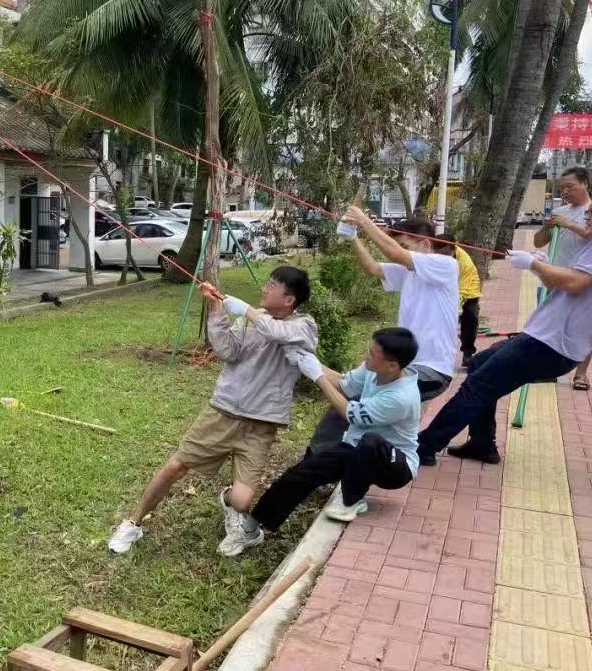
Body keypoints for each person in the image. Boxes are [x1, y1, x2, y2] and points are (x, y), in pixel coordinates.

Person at [108, 266, 318, 557]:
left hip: (261, 425)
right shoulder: (251, 321)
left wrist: (245, 310)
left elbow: (281, 333)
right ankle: (133, 522)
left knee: (242, 502)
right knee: (175, 467)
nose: (266, 288)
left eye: (274, 285)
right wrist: (217, 309)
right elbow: (227, 351)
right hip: (222, 411)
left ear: (289, 300)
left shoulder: (304, 326)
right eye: (268, 282)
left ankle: (231, 507)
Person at [417, 188, 592, 467]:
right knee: (480, 364)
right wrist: (538, 266)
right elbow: (567, 282)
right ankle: (482, 444)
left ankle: (424, 446)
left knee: (477, 386)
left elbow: (575, 282)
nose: (587, 217)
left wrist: (532, 262)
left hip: (551, 342)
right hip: (554, 341)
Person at [306, 209, 458, 456]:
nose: (400, 251)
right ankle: (326, 458)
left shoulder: (445, 265)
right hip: (402, 364)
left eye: (405, 244)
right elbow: (373, 268)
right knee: (349, 390)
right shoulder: (410, 271)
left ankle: (321, 461)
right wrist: (353, 237)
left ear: (425, 243)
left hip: (430, 369)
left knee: (354, 404)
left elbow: (395, 253)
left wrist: (364, 221)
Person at [250, 328, 422, 533]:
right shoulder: (372, 369)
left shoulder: (401, 397)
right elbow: (343, 386)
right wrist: (308, 361)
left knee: (371, 441)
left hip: (395, 466)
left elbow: (350, 413)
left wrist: (318, 378)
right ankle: (252, 526)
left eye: (372, 353)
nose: (365, 355)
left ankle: (352, 499)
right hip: (356, 451)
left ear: (392, 365)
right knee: (301, 473)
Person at [534, 167, 592, 390]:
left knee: (582, 328)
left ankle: (581, 374)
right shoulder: (558, 211)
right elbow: (539, 242)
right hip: (553, 278)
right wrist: (547, 226)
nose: (566, 191)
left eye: (570, 186)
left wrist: (567, 224)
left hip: (581, 279)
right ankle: (547, 369)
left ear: (585, 183)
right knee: (548, 326)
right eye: (562, 188)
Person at [435, 233, 482, 368]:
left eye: (446, 255)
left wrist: (456, 309)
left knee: (470, 317)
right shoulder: (431, 254)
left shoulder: (464, 263)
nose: (443, 259)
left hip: (468, 289)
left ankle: (468, 352)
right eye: (440, 255)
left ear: (453, 248)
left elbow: (461, 291)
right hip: (445, 287)